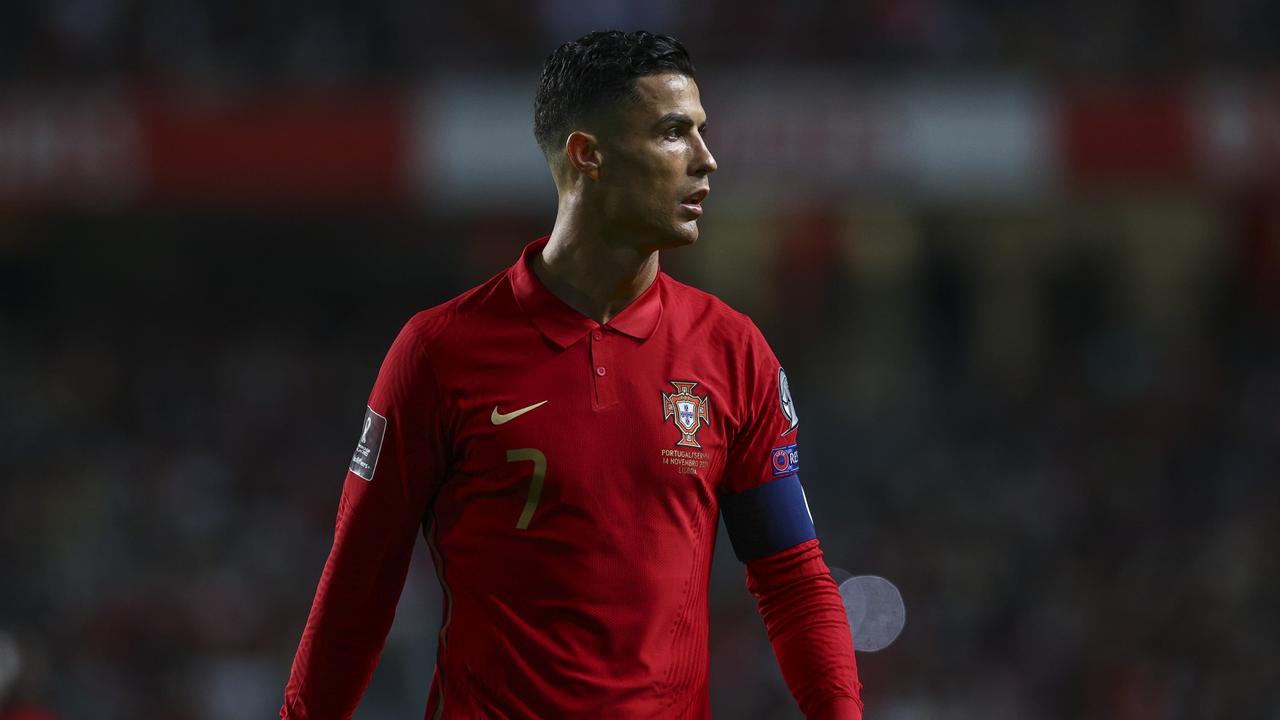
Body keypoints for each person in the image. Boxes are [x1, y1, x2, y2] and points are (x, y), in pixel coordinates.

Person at [281, 30, 862, 719]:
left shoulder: (734, 352)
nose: (707, 160)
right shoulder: (438, 353)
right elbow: (357, 590)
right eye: (674, 134)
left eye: (702, 132)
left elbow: (792, 579)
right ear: (589, 155)